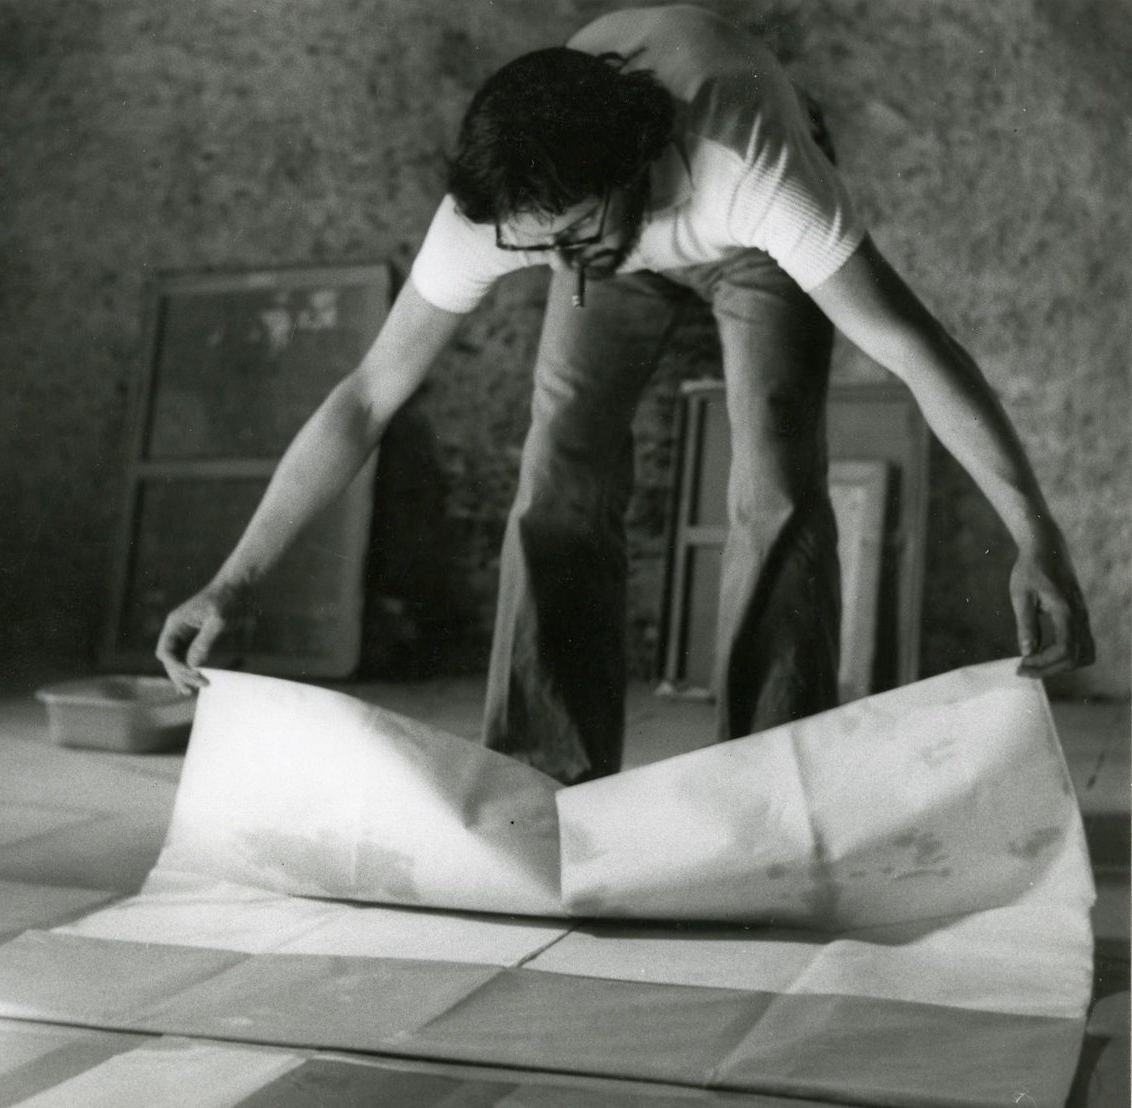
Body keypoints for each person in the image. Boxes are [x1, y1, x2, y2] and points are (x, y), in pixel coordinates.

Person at [156, 5, 1094, 784]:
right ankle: (543, 772)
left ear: (637, 162)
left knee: (774, 469)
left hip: (744, 242)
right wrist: (234, 580)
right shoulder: (517, 214)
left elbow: (910, 346)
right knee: (560, 458)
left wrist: (1035, 534)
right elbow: (367, 396)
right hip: (623, 227)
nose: (560, 263)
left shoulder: (748, 160)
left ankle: (772, 777)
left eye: (570, 237)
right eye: (536, 250)